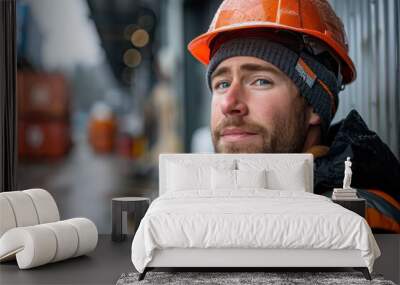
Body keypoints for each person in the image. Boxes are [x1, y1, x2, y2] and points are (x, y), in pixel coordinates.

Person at [187, 0, 400, 233]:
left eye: (260, 81)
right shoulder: (214, 207)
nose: (229, 104)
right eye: (222, 84)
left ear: (314, 106)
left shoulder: (353, 222)